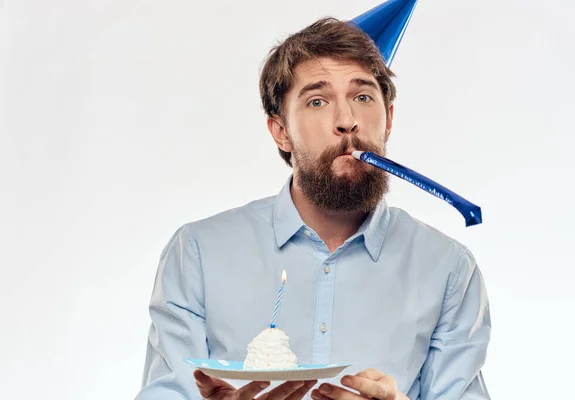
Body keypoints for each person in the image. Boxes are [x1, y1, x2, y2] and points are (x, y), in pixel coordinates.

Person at [135, 13, 492, 400]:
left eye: (363, 97)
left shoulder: (449, 269)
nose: (347, 121)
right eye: (318, 101)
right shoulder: (198, 253)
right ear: (281, 131)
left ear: (388, 120)